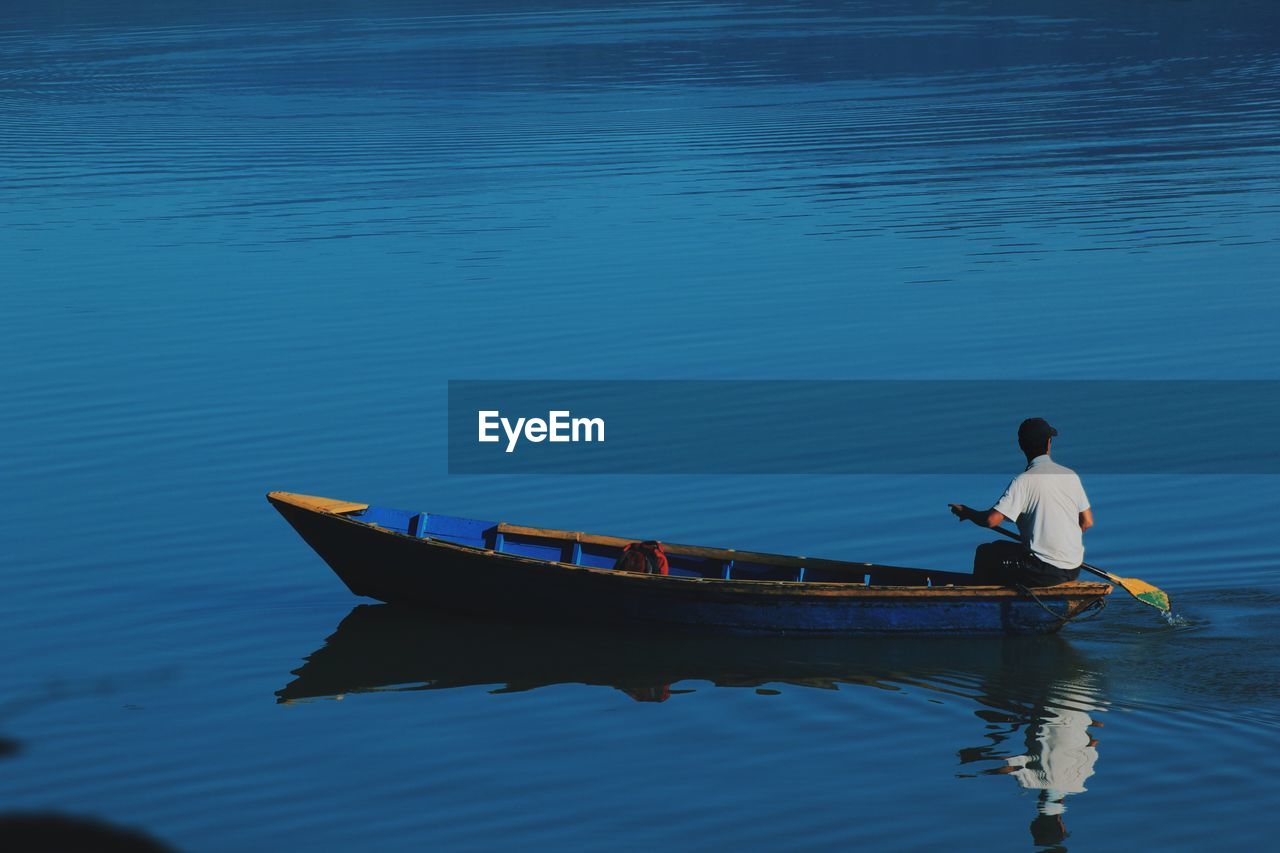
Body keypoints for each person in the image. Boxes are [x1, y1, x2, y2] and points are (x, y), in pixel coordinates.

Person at [948, 418, 1093, 587]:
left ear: (1021, 445)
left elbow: (991, 520)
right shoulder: (1070, 475)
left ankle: (983, 604)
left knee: (985, 553)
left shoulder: (1023, 481)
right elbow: (1087, 521)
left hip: (1043, 571)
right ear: (1049, 443)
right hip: (1073, 567)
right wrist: (1061, 545)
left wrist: (968, 513)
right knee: (1000, 547)